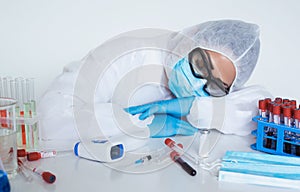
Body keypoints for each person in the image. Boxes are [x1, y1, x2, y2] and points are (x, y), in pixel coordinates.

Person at [38, 19, 271, 150]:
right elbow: (52, 117)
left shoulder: (211, 95)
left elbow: (259, 108)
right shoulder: (129, 54)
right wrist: (142, 124)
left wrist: (194, 107)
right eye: (201, 64)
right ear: (191, 42)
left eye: (215, 85)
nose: (198, 83)